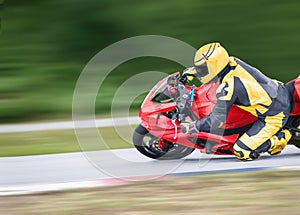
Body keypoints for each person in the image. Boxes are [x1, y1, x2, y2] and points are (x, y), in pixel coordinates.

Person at [181, 42, 292, 161]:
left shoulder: (228, 88)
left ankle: (284, 136)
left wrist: (193, 127)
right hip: (277, 89)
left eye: (202, 68)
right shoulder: (231, 61)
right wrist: (194, 72)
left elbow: (216, 121)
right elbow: (214, 68)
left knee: (242, 151)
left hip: (274, 114)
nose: (201, 71)